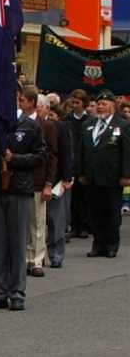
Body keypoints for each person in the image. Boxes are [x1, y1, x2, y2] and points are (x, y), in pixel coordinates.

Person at [0, 98, 46, 312]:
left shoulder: (30, 125)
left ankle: (17, 293)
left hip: (19, 190)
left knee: (17, 243)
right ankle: (0, 291)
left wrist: (14, 158)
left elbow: (40, 156)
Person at [78, 90, 130, 258]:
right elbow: (82, 151)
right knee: (95, 212)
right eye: (99, 104)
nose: (100, 107)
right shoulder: (88, 124)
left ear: (113, 106)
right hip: (92, 176)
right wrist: (81, 172)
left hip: (112, 177)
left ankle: (111, 244)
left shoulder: (122, 125)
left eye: (104, 104)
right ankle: (97, 244)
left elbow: (127, 152)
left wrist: (126, 175)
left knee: (111, 212)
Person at [23, 91, 57, 277]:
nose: (19, 104)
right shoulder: (17, 124)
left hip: (39, 181)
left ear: (34, 104)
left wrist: (49, 183)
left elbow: (52, 157)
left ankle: (36, 260)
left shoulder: (47, 126)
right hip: (20, 182)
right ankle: (24, 258)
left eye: (22, 101)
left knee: (37, 222)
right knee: (23, 223)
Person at [45, 104, 73, 268]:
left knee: (56, 220)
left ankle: (56, 254)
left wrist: (66, 178)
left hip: (56, 180)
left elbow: (66, 153)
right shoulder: (31, 125)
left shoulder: (60, 128)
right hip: (36, 181)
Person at [64, 89, 91, 241]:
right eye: (73, 102)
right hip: (71, 160)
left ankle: (85, 226)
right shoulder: (67, 120)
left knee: (84, 196)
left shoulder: (89, 121)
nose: (75, 105)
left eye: (78, 103)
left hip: (84, 161)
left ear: (84, 104)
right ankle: (74, 226)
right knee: (73, 198)